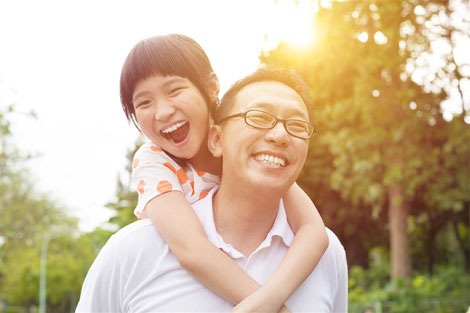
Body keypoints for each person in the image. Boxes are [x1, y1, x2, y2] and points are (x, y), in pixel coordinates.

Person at [76, 66, 348, 312]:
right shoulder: (133, 249)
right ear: (217, 139)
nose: (279, 135)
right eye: (259, 117)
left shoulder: (328, 255)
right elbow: (191, 249)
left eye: (297, 124)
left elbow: (314, 232)